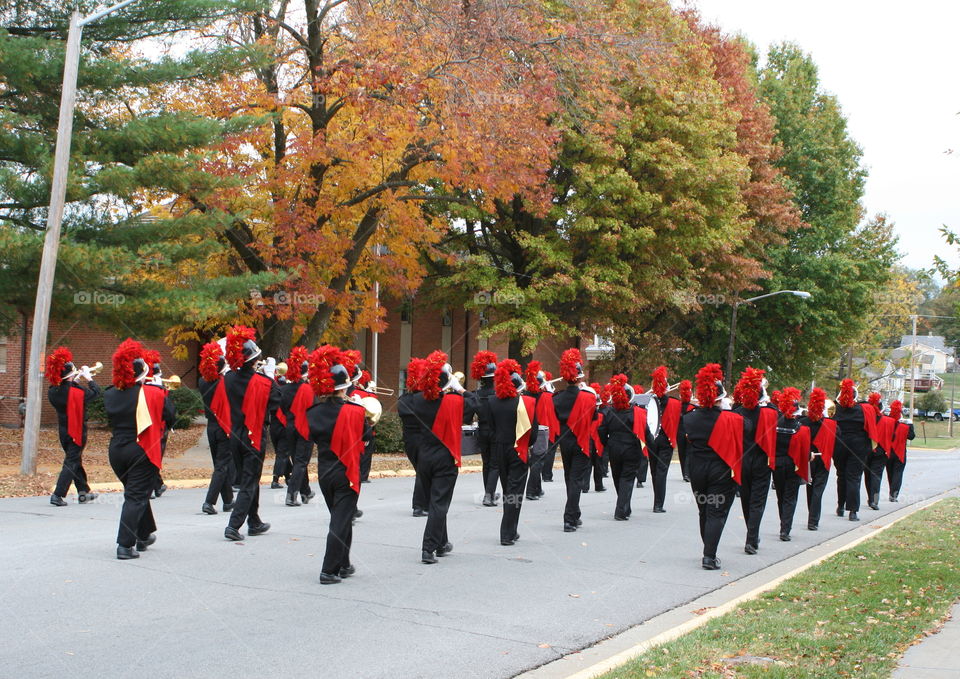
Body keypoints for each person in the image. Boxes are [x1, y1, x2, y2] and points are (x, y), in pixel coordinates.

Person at [103, 339, 174, 559]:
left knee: (136, 492)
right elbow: (171, 416)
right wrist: (160, 388)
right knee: (135, 497)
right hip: (140, 449)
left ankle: (144, 534)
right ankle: (125, 545)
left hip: (117, 451)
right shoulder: (152, 393)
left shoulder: (110, 393)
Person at [305, 346, 370, 584]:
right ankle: (328, 569)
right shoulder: (355, 411)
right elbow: (367, 436)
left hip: (325, 472)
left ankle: (343, 563)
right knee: (339, 520)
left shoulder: (313, 412)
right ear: (344, 386)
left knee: (340, 518)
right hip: (346, 472)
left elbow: (312, 435)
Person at [408, 351, 477, 563]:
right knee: (439, 503)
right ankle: (428, 548)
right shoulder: (454, 400)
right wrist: (460, 388)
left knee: (436, 501)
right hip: (445, 457)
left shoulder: (416, 401)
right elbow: (476, 404)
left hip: (424, 456)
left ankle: (441, 542)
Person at [678, 363, 747, 570]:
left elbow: (685, 440)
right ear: (720, 398)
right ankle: (709, 555)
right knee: (715, 512)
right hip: (721, 469)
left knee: (704, 510)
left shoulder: (689, 418)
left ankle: (708, 549)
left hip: (697, 469)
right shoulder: (732, 419)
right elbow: (749, 427)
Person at [223, 325, 281, 541]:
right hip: (254, 436)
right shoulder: (264, 382)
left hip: (235, 436)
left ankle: (254, 520)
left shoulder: (228, 378)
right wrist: (270, 377)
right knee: (249, 481)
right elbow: (278, 403)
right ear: (254, 360)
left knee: (251, 478)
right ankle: (233, 525)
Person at [488, 359, 538, 545]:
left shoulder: (492, 401)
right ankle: (507, 533)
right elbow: (533, 431)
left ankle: (512, 529)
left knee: (508, 489)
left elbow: (491, 429)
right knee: (514, 492)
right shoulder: (527, 402)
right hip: (519, 448)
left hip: (500, 448)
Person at [45, 347, 100, 506]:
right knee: (71, 462)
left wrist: (75, 377)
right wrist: (89, 378)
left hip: (63, 431)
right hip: (76, 430)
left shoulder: (53, 391)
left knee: (75, 460)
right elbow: (95, 393)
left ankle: (83, 492)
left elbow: (69, 392)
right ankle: (58, 494)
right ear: (70, 375)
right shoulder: (76, 391)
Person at [732, 367, 777, 555]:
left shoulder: (736, 413)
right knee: (757, 501)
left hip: (743, 461)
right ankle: (751, 538)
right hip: (761, 461)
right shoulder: (771, 413)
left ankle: (752, 533)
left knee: (747, 499)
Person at [552, 348, 597, 532]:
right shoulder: (588, 397)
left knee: (569, 477)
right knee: (576, 480)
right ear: (578, 377)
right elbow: (594, 419)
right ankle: (569, 519)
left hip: (565, 442)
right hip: (581, 441)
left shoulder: (557, 398)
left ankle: (575, 514)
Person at [598, 375, 649, 520]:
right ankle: (621, 510)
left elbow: (602, 430)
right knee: (626, 479)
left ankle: (625, 506)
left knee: (617, 477)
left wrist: (606, 444)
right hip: (631, 449)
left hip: (614, 448)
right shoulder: (638, 413)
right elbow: (646, 432)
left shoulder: (609, 413)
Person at [833, 379, 880, 521]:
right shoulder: (864, 409)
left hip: (840, 445)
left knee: (841, 475)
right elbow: (872, 426)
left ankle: (841, 506)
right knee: (853, 477)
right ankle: (852, 511)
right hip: (858, 447)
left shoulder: (835, 409)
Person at [197, 342, 235, 515]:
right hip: (222, 425)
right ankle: (209, 501)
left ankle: (228, 501)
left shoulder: (201, 381)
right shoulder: (225, 382)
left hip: (211, 425)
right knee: (221, 466)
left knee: (221, 464)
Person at [771, 388, 810, 541]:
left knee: (781, 496)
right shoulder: (802, 429)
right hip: (793, 466)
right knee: (790, 497)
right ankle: (785, 529)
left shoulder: (774, 426)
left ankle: (783, 523)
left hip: (778, 464)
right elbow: (804, 453)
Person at [281, 347, 316, 506]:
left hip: (290, 427)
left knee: (298, 461)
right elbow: (313, 410)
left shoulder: (285, 389)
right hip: (304, 428)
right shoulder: (308, 389)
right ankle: (291, 494)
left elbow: (282, 408)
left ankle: (305, 491)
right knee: (301, 462)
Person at [799, 387, 837, 531]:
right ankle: (813, 520)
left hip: (808, 458)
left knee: (810, 487)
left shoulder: (803, 421)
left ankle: (812, 516)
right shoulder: (831, 424)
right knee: (818, 489)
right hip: (822, 459)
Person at [647, 366, 681, 513]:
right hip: (666, 440)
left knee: (654, 470)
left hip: (652, 439)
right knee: (661, 471)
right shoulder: (675, 403)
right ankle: (658, 504)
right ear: (667, 388)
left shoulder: (649, 402)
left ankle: (657, 500)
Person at [398, 358, 429, 516]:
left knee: (421, 471)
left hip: (409, 440)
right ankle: (419, 506)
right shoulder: (425, 400)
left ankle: (425, 503)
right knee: (423, 472)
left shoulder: (403, 399)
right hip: (423, 439)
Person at [524, 362, 559, 501]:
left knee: (534, 460)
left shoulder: (525, 394)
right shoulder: (546, 396)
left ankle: (537, 488)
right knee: (538, 459)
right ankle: (531, 490)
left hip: (527, 429)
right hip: (540, 429)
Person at [469, 350, 500, 506]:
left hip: (482, 430)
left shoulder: (476, 394)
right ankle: (489, 495)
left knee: (486, 463)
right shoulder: (499, 394)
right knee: (495, 464)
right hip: (496, 431)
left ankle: (489, 493)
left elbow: (468, 416)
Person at [863, 392, 894, 511]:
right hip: (881, 451)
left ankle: (870, 498)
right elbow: (893, 437)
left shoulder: (865, 419)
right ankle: (874, 500)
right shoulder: (889, 421)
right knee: (876, 475)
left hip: (867, 450)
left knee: (867, 474)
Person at [270, 358, 293, 490]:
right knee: (282, 454)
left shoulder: (274, 392)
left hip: (274, 427)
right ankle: (275, 478)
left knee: (282, 453)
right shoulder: (287, 393)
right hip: (283, 426)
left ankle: (288, 477)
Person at [886, 399, 914, 502]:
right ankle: (894, 494)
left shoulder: (886, 421)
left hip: (889, 451)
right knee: (898, 473)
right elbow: (911, 436)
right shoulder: (905, 424)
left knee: (890, 472)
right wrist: (910, 425)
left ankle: (891, 491)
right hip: (900, 452)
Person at [539, 370, 560, 484]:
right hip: (551, 425)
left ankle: (541, 472)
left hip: (541, 426)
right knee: (550, 451)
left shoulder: (539, 396)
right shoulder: (551, 397)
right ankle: (547, 474)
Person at [678, 379, 694, 482]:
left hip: (679, 432)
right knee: (689, 452)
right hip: (689, 431)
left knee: (682, 453)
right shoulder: (693, 407)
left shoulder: (677, 407)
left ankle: (684, 472)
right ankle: (687, 473)